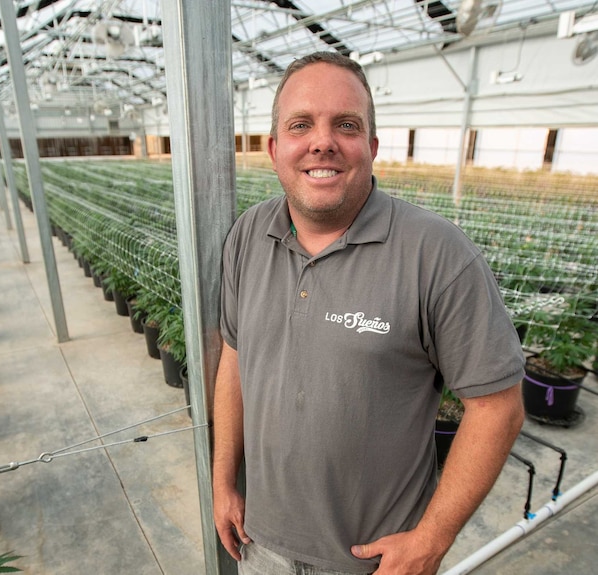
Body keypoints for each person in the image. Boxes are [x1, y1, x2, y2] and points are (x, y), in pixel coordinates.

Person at [213, 51, 525, 575]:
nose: (322, 141)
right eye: (300, 125)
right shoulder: (248, 234)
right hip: (259, 546)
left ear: (372, 147)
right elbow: (234, 359)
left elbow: (498, 407)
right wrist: (224, 482)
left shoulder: (437, 254)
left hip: (372, 562)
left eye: (346, 125)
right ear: (273, 149)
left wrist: (432, 539)